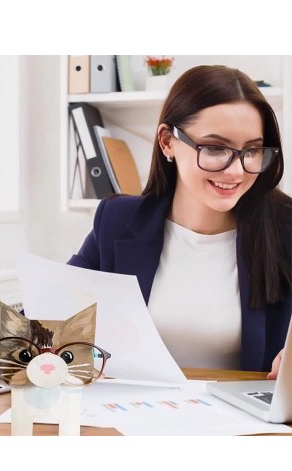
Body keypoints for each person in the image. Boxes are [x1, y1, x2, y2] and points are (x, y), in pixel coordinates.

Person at [68, 65, 292, 377]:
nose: (237, 171)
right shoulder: (117, 220)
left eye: (252, 151)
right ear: (167, 142)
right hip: (131, 414)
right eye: (215, 148)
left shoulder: (285, 228)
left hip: (243, 422)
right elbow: (49, 314)